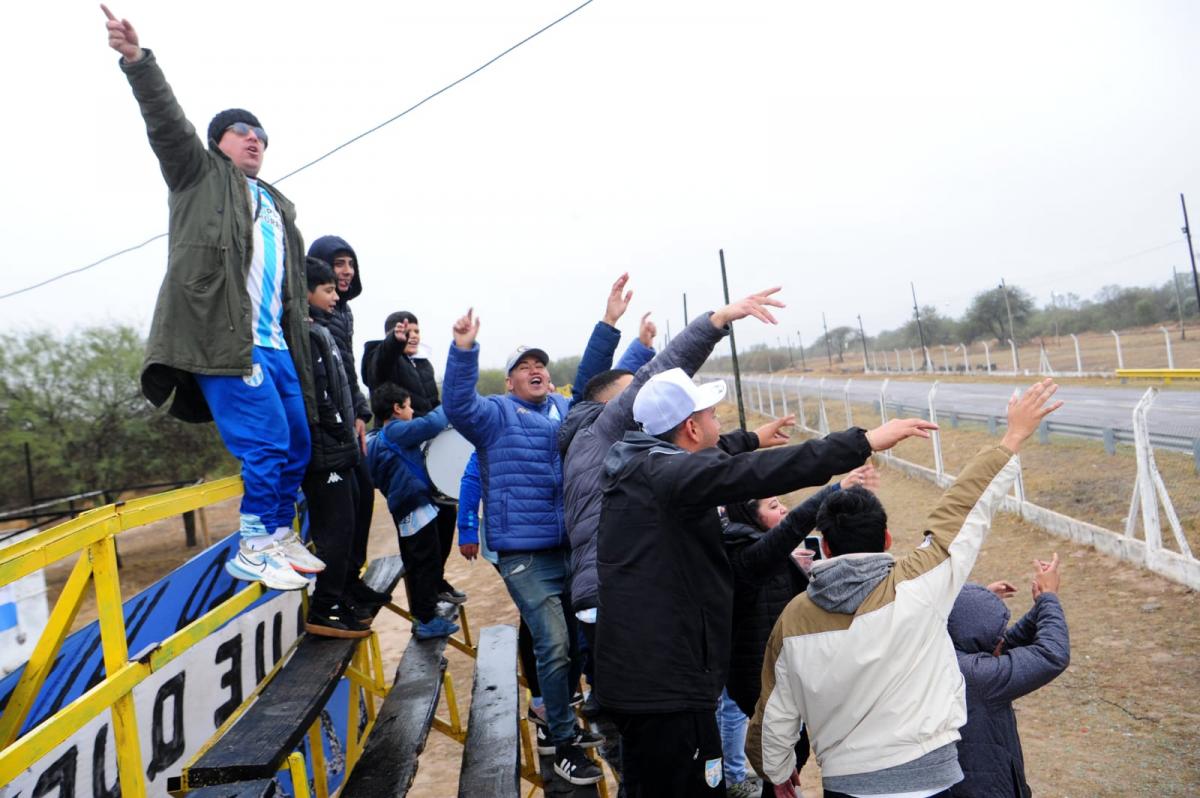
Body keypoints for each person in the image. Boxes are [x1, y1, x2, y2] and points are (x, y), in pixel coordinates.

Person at [596, 364, 937, 797]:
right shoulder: (670, 478)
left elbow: (718, 453)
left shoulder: (643, 464)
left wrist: (752, 438)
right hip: (667, 688)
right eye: (711, 415)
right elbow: (754, 472)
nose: (718, 422)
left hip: (644, 679)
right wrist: (863, 442)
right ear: (691, 428)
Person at [747, 378, 1063, 798]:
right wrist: (1012, 437)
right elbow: (961, 511)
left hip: (846, 787)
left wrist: (777, 769)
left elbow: (774, 714)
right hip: (934, 782)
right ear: (887, 539)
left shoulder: (794, 620)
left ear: (825, 546)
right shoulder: (919, 582)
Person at [104, 6, 317, 589]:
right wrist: (137, 62)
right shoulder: (197, 175)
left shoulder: (276, 203)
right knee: (265, 444)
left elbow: (290, 288)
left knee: (297, 444)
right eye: (243, 131)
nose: (255, 140)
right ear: (218, 142)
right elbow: (166, 123)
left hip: (277, 345)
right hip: (227, 342)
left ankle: (278, 534)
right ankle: (253, 544)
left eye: (262, 136)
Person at [443, 303, 619, 787]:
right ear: (509, 383)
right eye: (524, 366)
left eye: (540, 363)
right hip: (525, 556)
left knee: (579, 642)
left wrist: (610, 326)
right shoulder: (494, 415)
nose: (535, 369)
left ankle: (563, 719)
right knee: (554, 643)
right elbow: (458, 404)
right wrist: (463, 350)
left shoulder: (563, 411)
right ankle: (561, 742)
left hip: (571, 549)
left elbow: (596, 386)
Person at [721, 464, 878, 798]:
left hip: (775, 669)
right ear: (749, 515)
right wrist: (835, 491)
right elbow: (791, 528)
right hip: (759, 676)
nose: (783, 510)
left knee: (791, 748)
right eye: (773, 506)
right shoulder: (745, 552)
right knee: (785, 747)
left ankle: (777, 784)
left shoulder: (759, 547)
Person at [363, 311, 467, 604]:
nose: (413, 336)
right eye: (406, 332)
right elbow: (377, 369)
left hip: (430, 449)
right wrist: (392, 343)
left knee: (445, 516)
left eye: (416, 331)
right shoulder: (378, 355)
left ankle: (436, 580)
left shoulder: (423, 363)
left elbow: (433, 402)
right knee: (419, 530)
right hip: (403, 452)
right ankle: (423, 598)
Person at [306, 236, 387, 611]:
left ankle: (352, 580)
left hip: (347, 421)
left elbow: (348, 371)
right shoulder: (309, 320)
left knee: (365, 495)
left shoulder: (343, 313)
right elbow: (318, 380)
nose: (347, 271)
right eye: (339, 263)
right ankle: (335, 595)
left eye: (350, 263)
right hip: (326, 433)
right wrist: (340, 420)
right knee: (340, 516)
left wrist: (359, 413)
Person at [947, 557, 1070, 797]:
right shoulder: (978, 676)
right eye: (997, 633)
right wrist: (1048, 597)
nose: (1002, 639)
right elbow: (1052, 654)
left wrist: (979, 605)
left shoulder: (947, 653)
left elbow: (1000, 644)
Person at [300, 258, 372, 633]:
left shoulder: (322, 331)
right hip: (325, 453)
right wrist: (343, 430)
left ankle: (342, 595)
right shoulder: (304, 334)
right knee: (336, 532)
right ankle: (324, 608)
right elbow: (319, 396)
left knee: (351, 521)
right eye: (327, 290)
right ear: (305, 292)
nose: (334, 296)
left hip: (339, 449)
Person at [366, 383, 458, 640]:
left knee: (419, 560)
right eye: (408, 406)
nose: (413, 411)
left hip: (406, 506)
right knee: (425, 561)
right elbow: (431, 424)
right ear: (396, 409)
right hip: (414, 506)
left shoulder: (382, 435)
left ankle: (424, 614)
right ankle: (426, 619)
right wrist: (449, 404)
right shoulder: (395, 430)